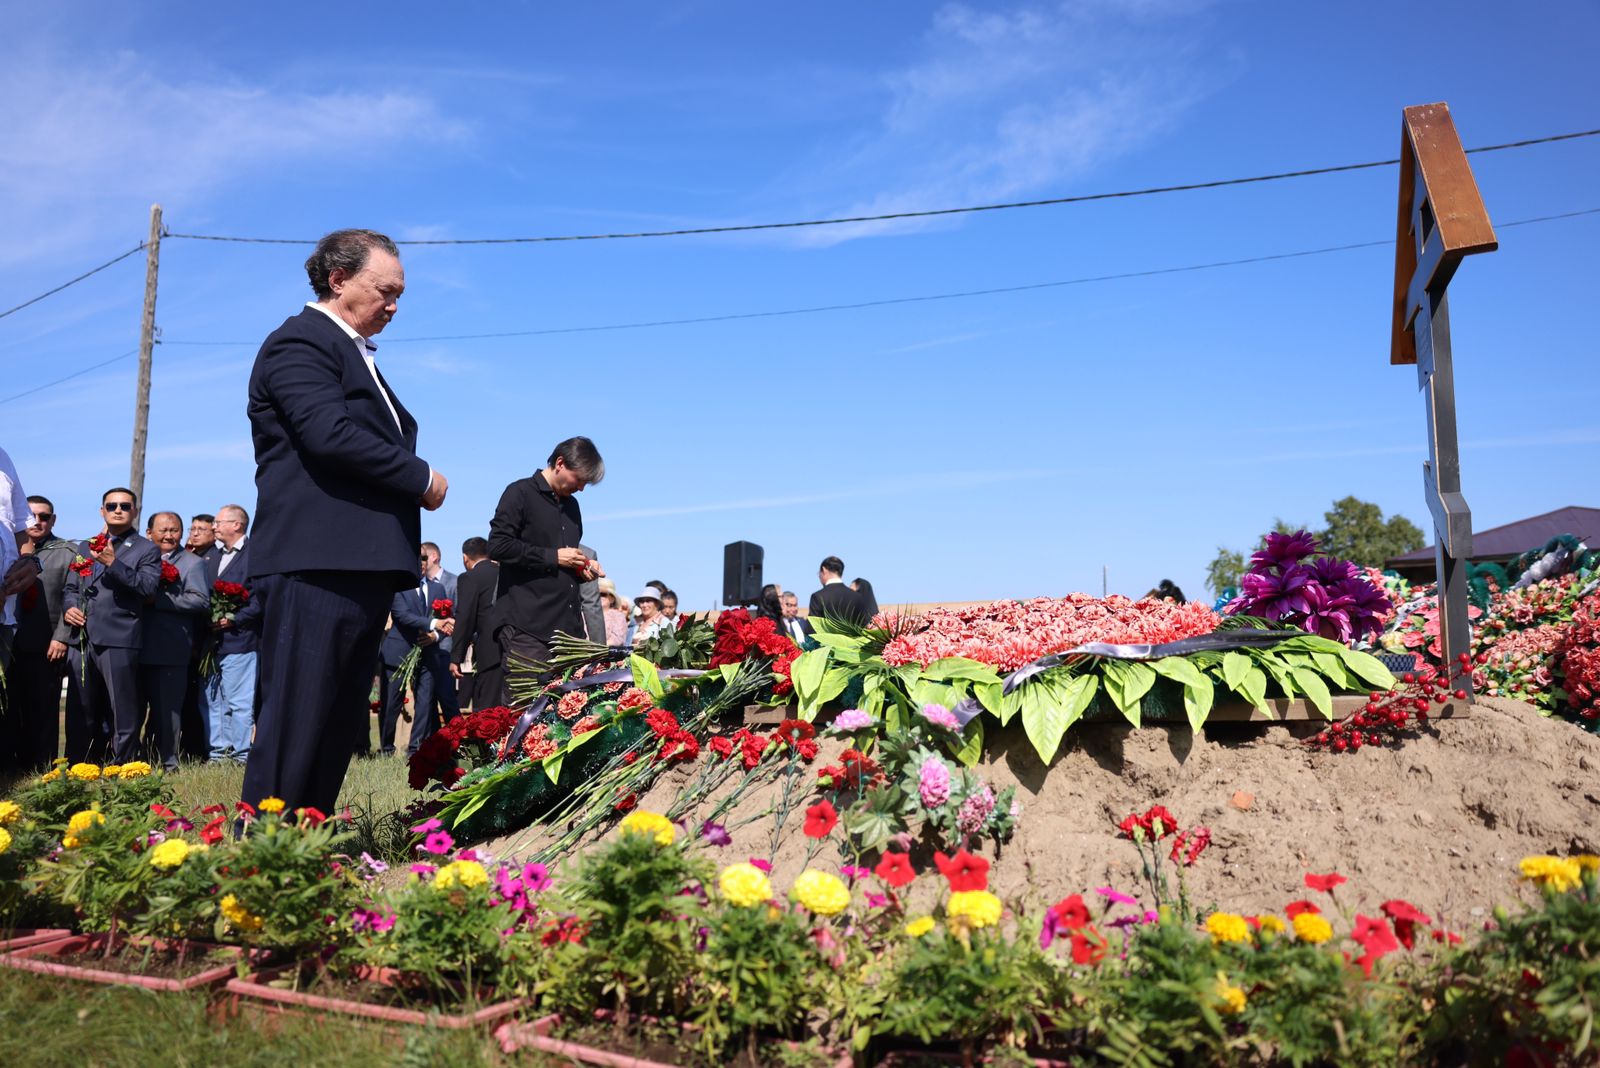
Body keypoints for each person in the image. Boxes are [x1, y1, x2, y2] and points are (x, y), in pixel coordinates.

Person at [241, 228, 448, 816]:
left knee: (335, 718)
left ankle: (305, 837)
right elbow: (328, 434)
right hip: (316, 558)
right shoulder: (299, 343)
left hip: (356, 562)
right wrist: (420, 477)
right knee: (299, 712)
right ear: (338, 279)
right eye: (384, 290)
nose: (394, 305)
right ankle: (259, 846)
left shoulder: (350, 353)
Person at [488, 437, 604, 699]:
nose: (582, 488)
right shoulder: (519, 493)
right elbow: (498, 546)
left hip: (568, 633)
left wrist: (582, 567)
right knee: (525, 713)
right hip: (528, 629)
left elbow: (565, 558)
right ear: (560, 463)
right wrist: (553, 557)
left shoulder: (572, 506)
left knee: (567, 715)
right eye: (579, 479)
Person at [61, 487, 161, 763]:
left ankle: (124, 765)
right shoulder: (85, 546)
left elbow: (147, 587)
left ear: (135, 512)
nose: (118, 509)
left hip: (119, 637)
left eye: (125, 506)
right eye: (112, 505)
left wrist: (113, 563)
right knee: (80, 707)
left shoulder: (146, 548)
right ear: (102, 511)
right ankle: (78, 764)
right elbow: (70, 587)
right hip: (81, 637)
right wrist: (69, 607)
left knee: (122, 708)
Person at [9, 495, 79, 769]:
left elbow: (74, 596)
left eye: (44, 517)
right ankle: (10, 767)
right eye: (31, 516)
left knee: (43, 711)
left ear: (53, 520)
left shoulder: (68, 551)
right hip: (8, 643)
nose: (37, 522)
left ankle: (41, 767)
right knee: (10, 711)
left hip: (45, 644)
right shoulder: (8, 550)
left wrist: (62, 636)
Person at [139, 511, 209, 770]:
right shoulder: (137, 558)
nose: (169, 535)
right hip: (134, 645)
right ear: (149, 533)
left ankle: (169, 763)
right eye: (163, 530)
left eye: (175, 530)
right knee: (133, 711)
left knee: (168, 712)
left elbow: (200, 600)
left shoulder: (192, 563)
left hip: (170, 648)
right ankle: (136, 760)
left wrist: (158, 600)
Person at [203, 504, 263, 765]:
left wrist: (235, 618)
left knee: (238, 702)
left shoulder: (254, 555)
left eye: (218, 522)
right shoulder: (213, 557)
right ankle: (219, 754)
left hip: (241, 641)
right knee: (214, 699)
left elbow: (261, 599)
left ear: (236, 525)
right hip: (213, 642)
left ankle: (240, 755)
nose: (214, 527)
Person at [377, 563, 454, 757]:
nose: (420, 565)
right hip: (398, 653)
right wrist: (434, 623)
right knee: (391, 704)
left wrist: (435, 636)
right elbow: (402, 616)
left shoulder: (438, 588)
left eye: (423, 560)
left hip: (429, 654)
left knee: (425, 702)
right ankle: (386, 748)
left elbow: (446, 620)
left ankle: (415, 749)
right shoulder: (398, 587)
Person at [449, 537, 502, 713]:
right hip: (515, 648)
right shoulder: (504, 573)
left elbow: (465, 617)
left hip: (489, 651)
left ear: (465, 557)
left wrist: (457, 657)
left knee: (487, 710)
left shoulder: (469, 578)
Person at [808, 555, 868, 627]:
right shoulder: (858, 597)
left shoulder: (818, 597)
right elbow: (864, 626)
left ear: (824, 570)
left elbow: (812, 628)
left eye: (819, 573)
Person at [578, 543, 606, 646]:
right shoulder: (584, 552)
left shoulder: (585, 554)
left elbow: (591, 603)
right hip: (567, 636)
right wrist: (599, 650)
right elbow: (591, 603)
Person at [597, 579, 629, 647]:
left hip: (608, 655)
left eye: (602, 594)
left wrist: (597, 647)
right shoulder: (583, 614)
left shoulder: (618, 616)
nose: (598, 596)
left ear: (612, 598)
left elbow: (617, 639)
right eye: (595, 593)